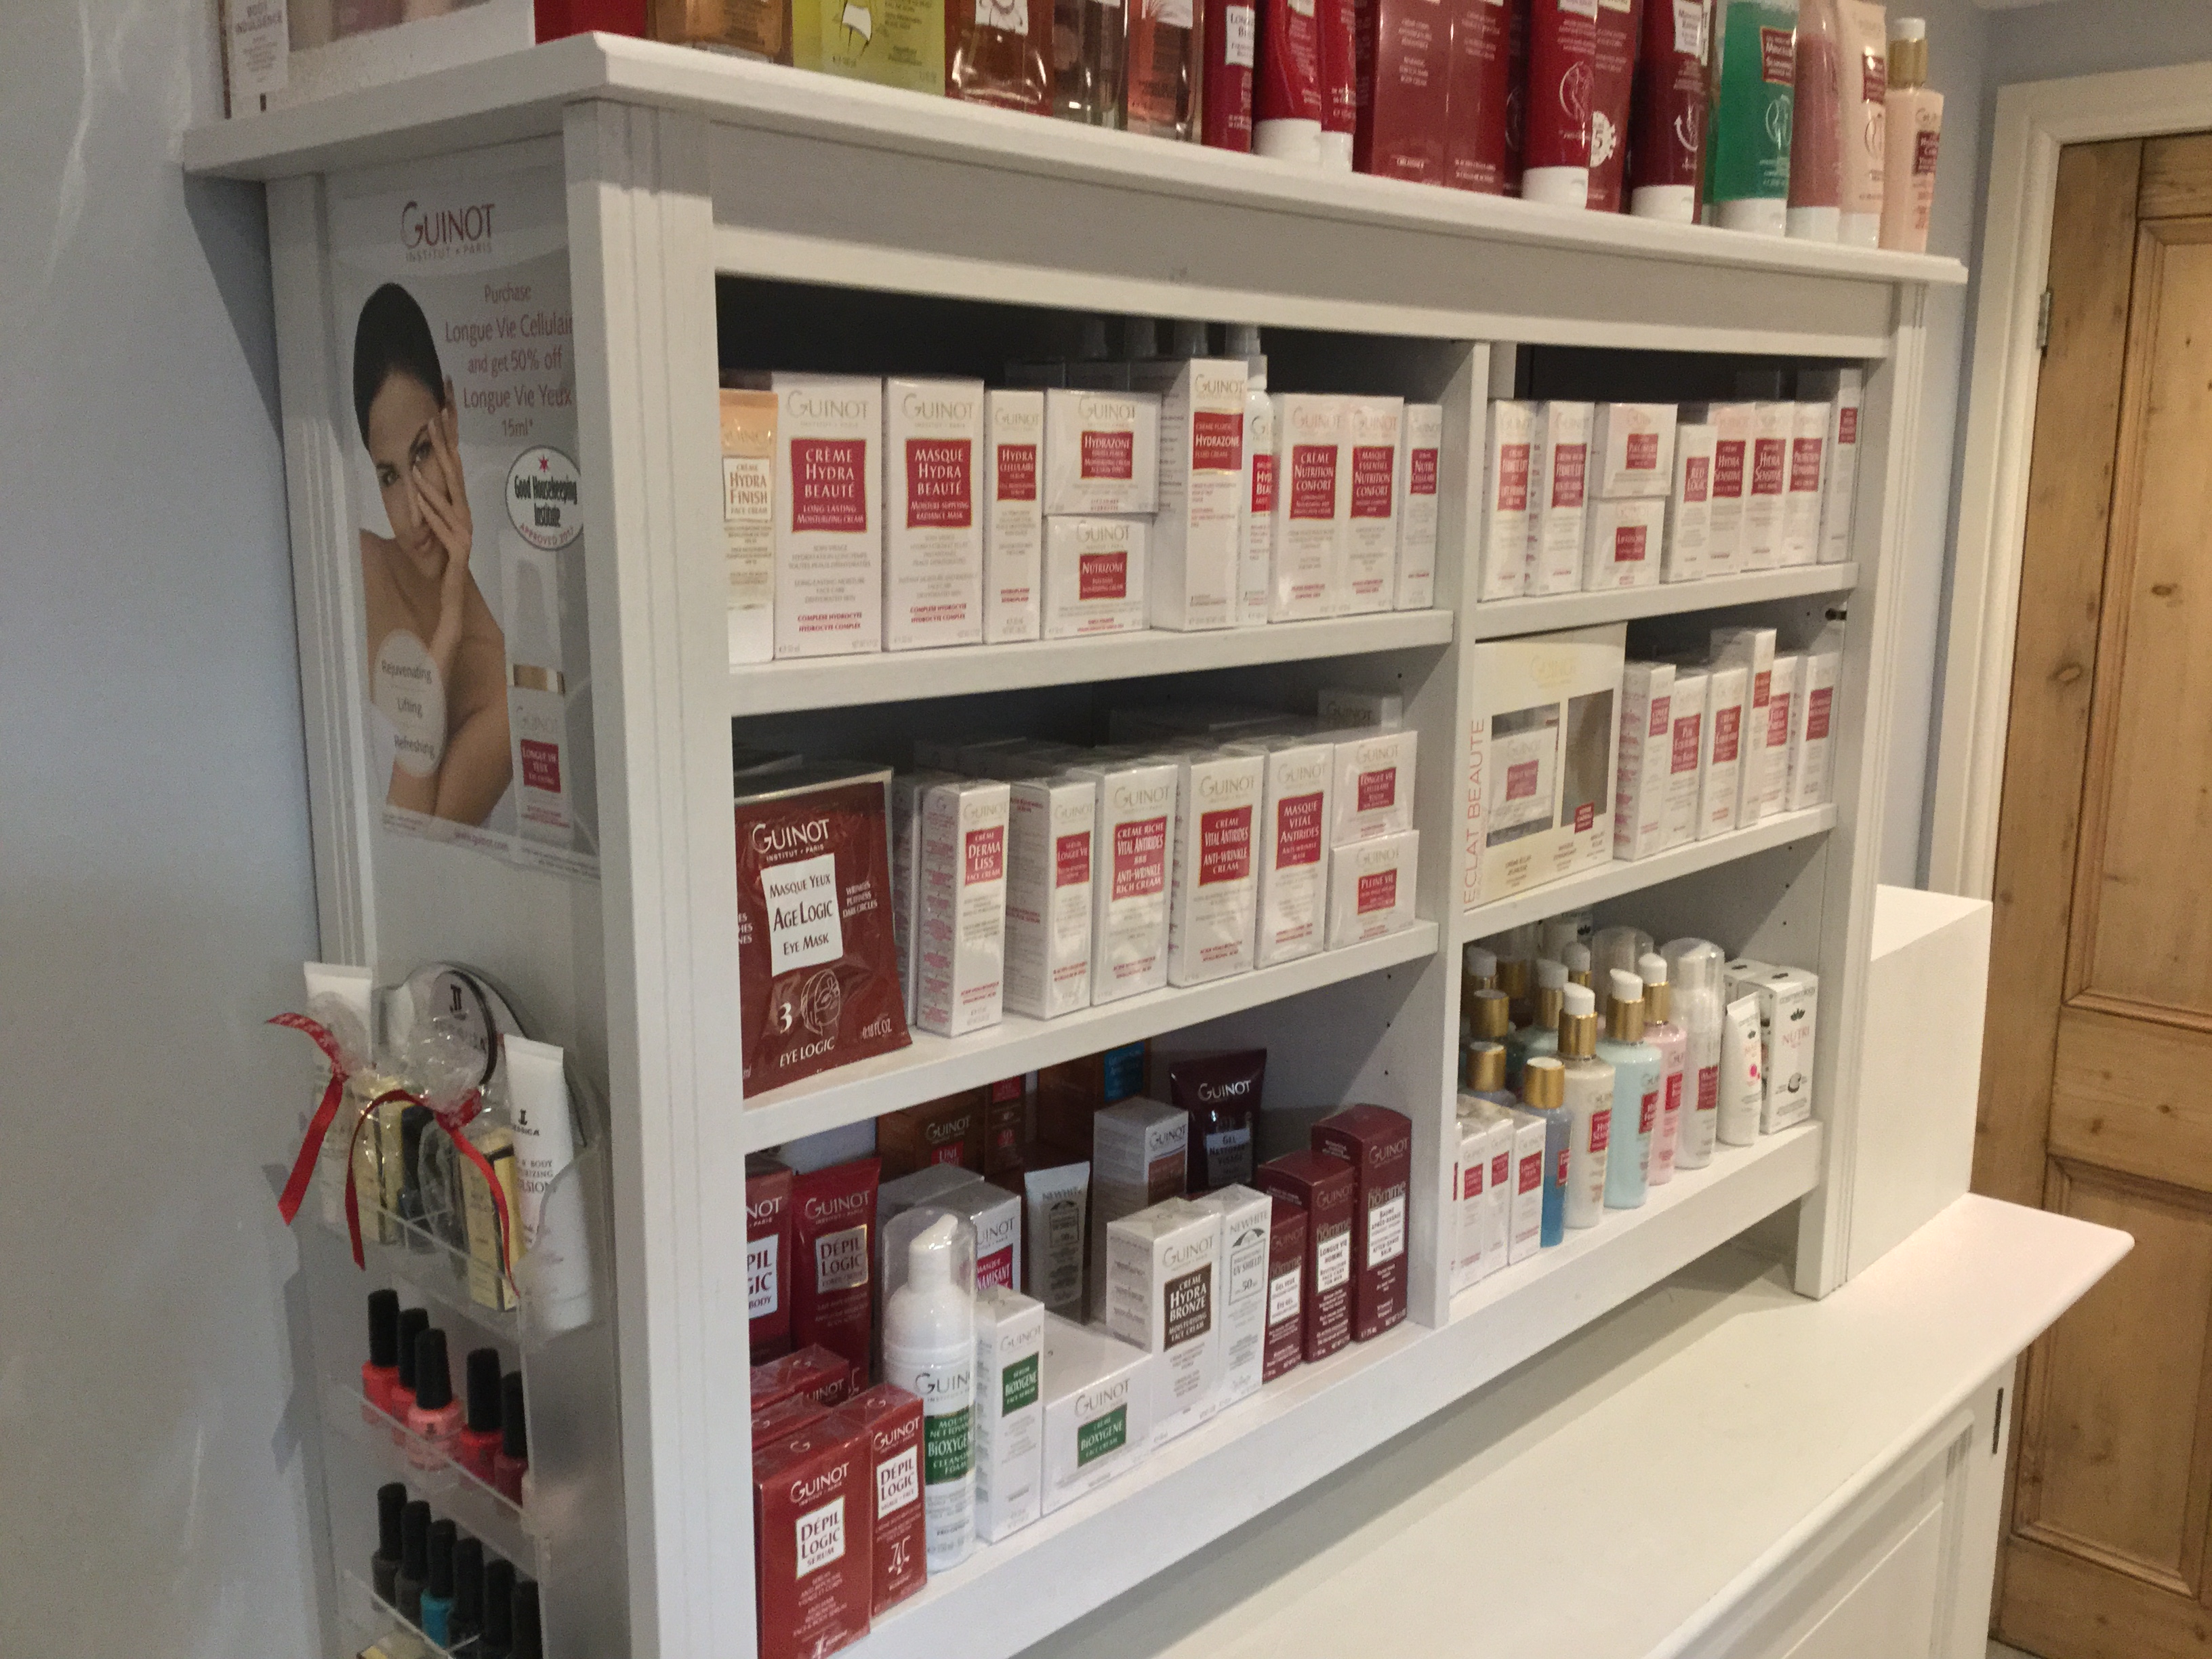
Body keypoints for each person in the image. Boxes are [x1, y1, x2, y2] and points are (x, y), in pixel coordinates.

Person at [352, 282, 512, 826]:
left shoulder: (503, 695)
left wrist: (448, 631)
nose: (414, 514)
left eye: (423, 452)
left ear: (452, 417)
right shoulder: (354, 566)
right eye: (389, 476)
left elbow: (410, 841)